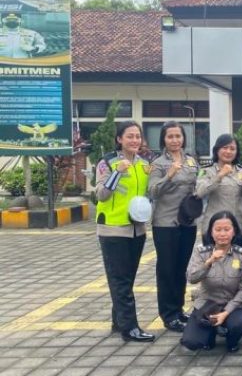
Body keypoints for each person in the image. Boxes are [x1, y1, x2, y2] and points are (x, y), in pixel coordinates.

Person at [94, 121, 154, 342]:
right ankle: (130, 328)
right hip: (113, 229)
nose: (135, 140)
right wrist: (117, 173)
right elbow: (101, 195)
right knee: (120, 280)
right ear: (119, 139)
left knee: (126, 280)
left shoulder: (144, 164)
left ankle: (119, 322)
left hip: (137, 230)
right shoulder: (107, 163)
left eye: (138, 136)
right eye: (130, 136)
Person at [148, 121, 200, 333]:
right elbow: (152, 191)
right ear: (163, 139)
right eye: (170, 136)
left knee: (181, 268)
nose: (175, 140)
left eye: (178, 136)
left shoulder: (191, 161)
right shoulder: (158, 164)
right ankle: (168, 315)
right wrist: (168, 175)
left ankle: (178, 309)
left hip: (188, 222)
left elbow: (198, 185)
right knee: (167, 269)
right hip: (165, 223)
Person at [181, 211, 242, 353]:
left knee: (240, 324)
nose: (222, 234)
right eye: (218, 230)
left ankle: (231, 339)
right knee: (191, 342)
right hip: (207, 306)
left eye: (227, 229)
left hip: (232, 306)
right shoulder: (201, 252)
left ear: (234, 231)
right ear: (211, 232)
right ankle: (212, 331)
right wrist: (209, 262)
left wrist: (225, 312)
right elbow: (192, 278)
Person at [195, 134, 242, 242]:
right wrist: (220, 175)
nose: (228, 151)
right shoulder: (206, 171)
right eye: (225, 147)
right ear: (217, 149)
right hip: (214, 228)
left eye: (232, 149)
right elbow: (199, 192)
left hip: (237, 227)